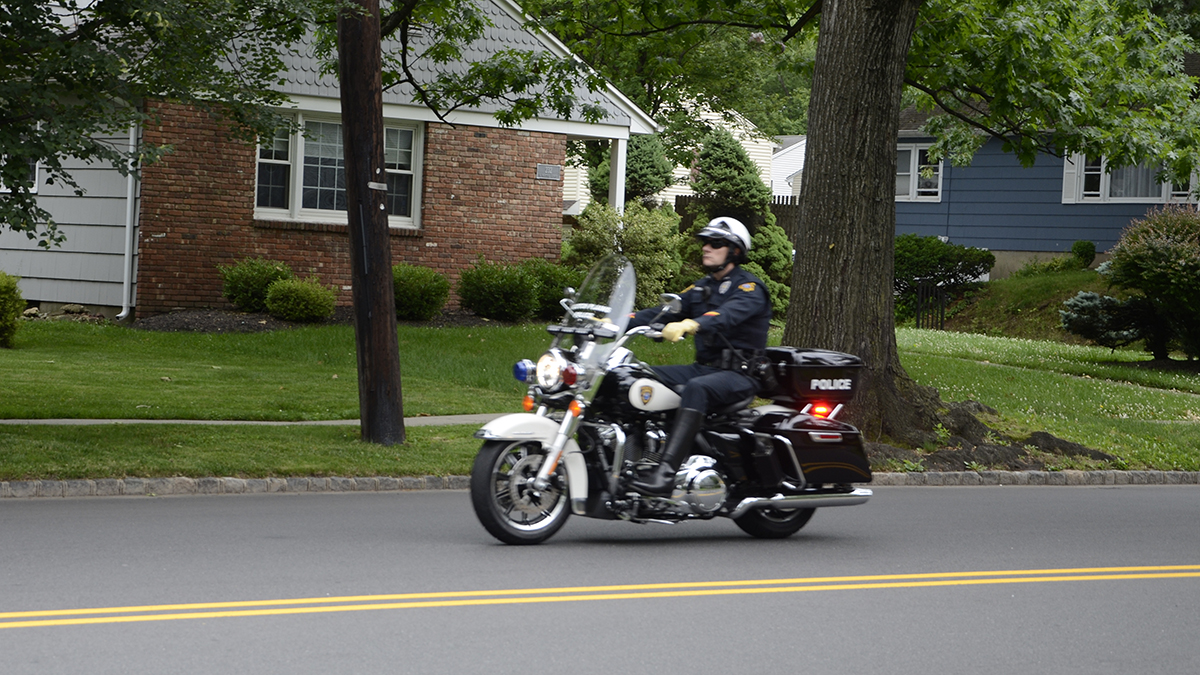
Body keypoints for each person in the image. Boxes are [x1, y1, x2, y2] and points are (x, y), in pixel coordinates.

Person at [627, 216, 772, 496]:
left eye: (716, 243)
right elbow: (661, 313)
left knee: (696, 388)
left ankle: (665, 475)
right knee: (635, 377)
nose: (706, 247)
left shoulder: (750, 290)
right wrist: (614, 320)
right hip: (704, 368)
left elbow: (726, 316)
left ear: (735, 251)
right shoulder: (701, 288)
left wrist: (691, 324)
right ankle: (637, 457)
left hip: (739, 376)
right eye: (705, 241)